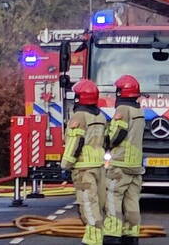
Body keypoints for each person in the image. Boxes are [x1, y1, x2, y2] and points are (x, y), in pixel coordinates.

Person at [62, 79, 108, 245]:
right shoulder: (100, 116)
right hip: (99, 166)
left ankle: (94, 238)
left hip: (83, 168)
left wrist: (65, 164)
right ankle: (92, 237)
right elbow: (106, 140)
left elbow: (75, 142)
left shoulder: (79, 116)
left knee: (88, 202)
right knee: (99, 202)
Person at [104, 75, 144, 245]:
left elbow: (117, 133)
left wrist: (106, 140)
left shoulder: (123, 110)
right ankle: (131, 235)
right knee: (132, 201)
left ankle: (112, 235)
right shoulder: (138, 111)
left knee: (113, 197)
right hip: (135, 165)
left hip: (120, 164)